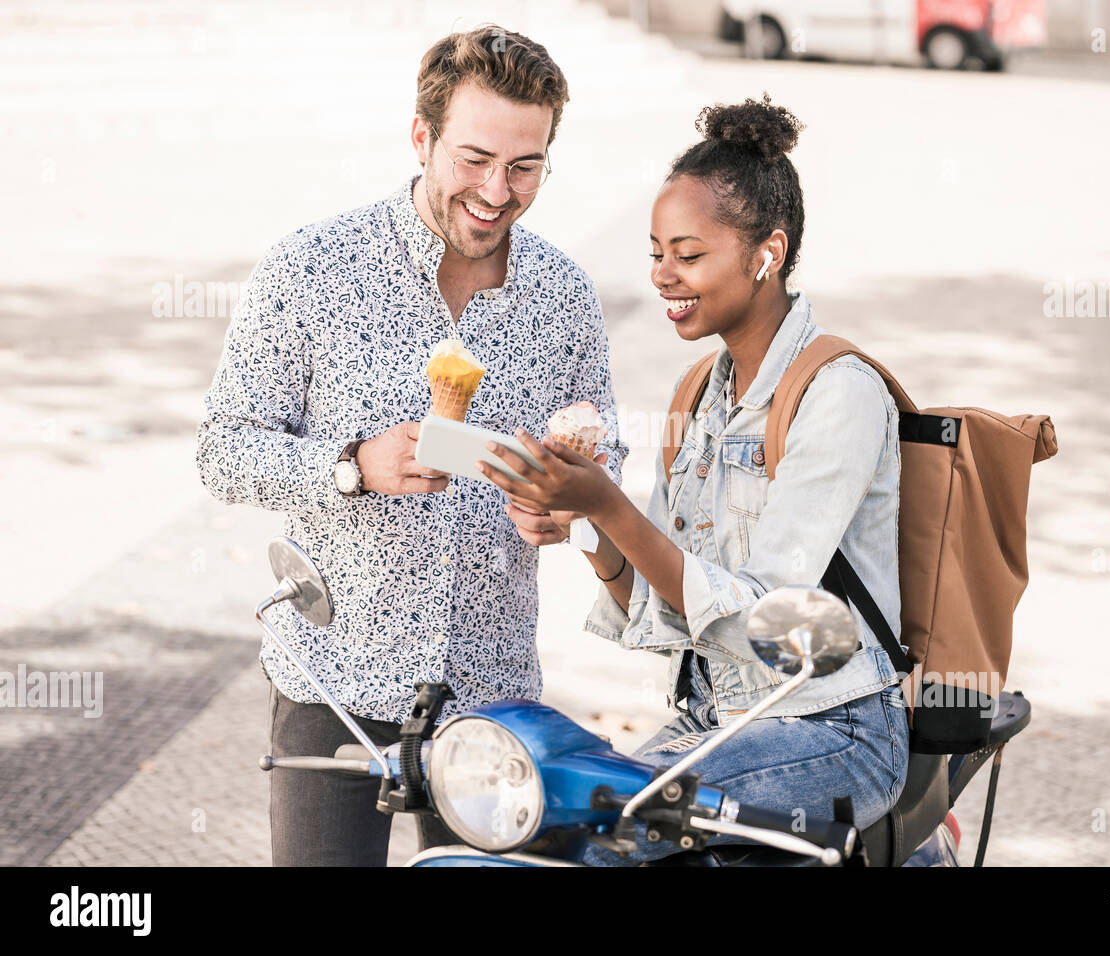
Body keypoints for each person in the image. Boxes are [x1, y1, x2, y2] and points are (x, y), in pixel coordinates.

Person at [196, 25, 626, 866]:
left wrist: (565, 509)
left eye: (525, 167)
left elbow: (602, 460)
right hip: (334, 677)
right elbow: (222, 448)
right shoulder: (312, 268)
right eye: (474, 159)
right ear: (422, 137)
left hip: (493, 690)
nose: (498, 192)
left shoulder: (566, 298)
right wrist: (352, 466)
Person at [485, 95, 908, 865]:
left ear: (766, 253)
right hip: (715, 723)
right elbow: (654, 610)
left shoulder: (837, 393)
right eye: (655, 253)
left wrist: (606, 500)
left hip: (829, 728)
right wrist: (584, 521)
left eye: (687, 253)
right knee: (541, 815)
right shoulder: (694, 397)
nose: (663, 276)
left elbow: (763, 623)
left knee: (601, 836)